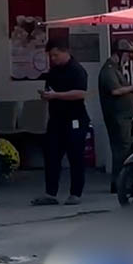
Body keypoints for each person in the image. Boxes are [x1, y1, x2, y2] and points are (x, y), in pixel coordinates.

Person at [32, 37, 90, 206]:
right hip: (56, 119)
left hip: (75, 119)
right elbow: (51, 90)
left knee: (75, 156)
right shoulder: (53, 71)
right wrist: (46, 95)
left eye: (56, 55)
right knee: (51, 156)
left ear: (65, 51)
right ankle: (50, 193)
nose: (53, 59)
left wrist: (57, 95)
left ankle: (75, 193)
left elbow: (80, 93)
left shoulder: (77, 70)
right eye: (51, 56)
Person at [98, 39, 133, 193]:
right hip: (117, 117)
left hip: (124, 116)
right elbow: (115, 91)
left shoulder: (115, 69)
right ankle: (119, 183)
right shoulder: (109, 70)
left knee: (125, 147)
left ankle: (122, 182)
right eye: (127, 55)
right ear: (120, 53)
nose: (128, 59)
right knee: (121, 150)